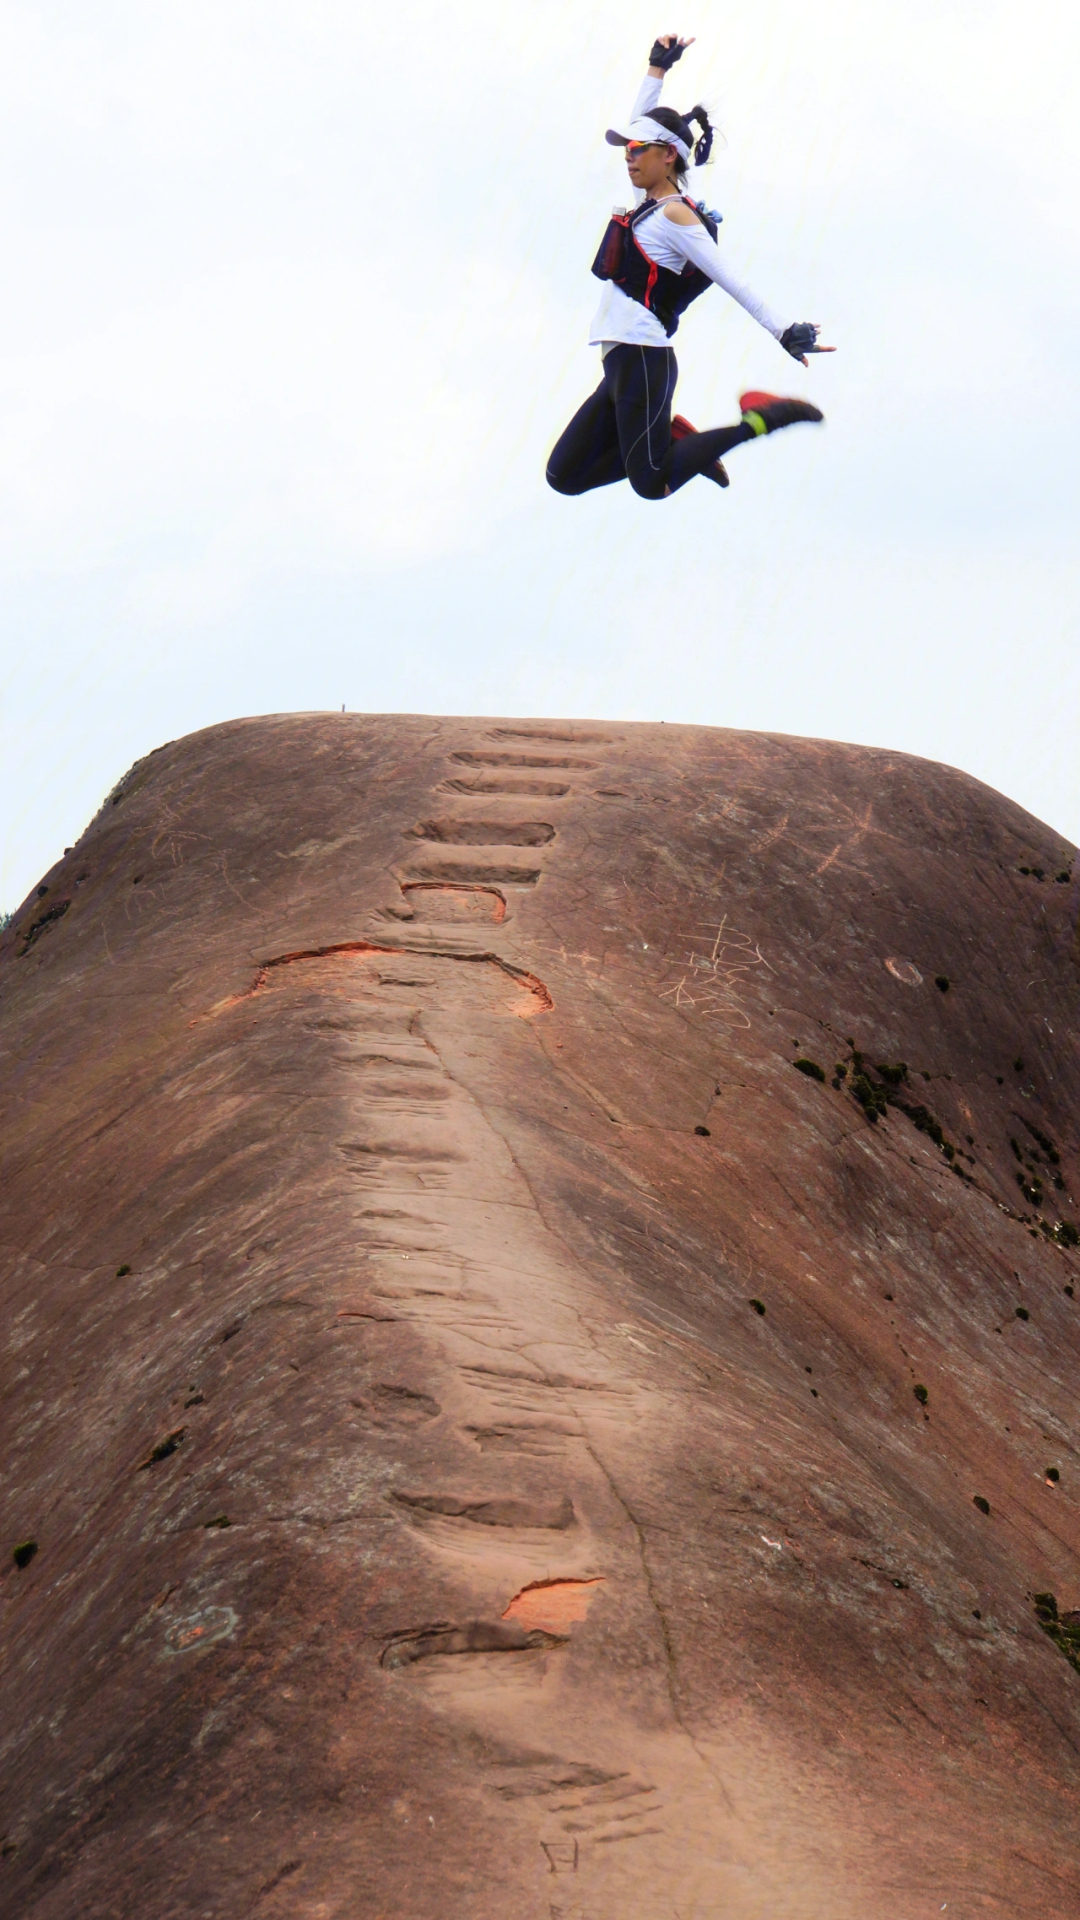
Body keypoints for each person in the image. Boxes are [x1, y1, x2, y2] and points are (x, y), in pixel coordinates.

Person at [546, 34, 834, 501]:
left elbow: (728, 277)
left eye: (638, 149)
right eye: (627, 148)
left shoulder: (675, 216)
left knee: (653, 483)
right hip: (619, 361)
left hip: (644, 357)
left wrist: (783, 330)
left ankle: (759, 420)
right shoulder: (646, 204)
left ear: (668, 156)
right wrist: (656, 69)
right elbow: (640, 123)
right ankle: (682, 443)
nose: (628, 156)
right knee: (564, 476)